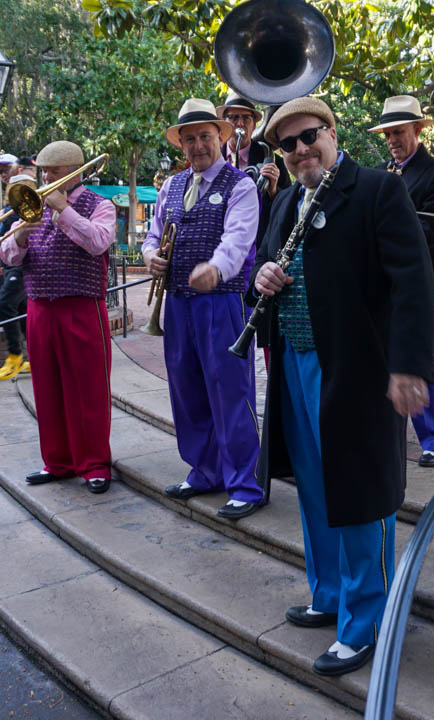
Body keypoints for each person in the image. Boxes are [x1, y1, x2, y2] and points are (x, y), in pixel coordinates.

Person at [252, 97, 434, 676]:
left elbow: (413, 282)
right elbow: (265, 267)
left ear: (332, 133)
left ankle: (366, 623)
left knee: (361, 495)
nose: (302, 149)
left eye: (310, 136)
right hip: (297, 363)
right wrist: (262, 274)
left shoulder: (379, 190)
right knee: (313, 486)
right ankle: (328, 593)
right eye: (288, 144)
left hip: (359, 371)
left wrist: (409, 367)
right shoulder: (285, 200)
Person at [143, 98, 264, 521]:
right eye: (190, 139)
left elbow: (239, 239)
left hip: (222, 303)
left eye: (205, 137)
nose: (198, 146)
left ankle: (245, 484)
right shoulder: (170, 187)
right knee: (187, 391)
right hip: (178, 304)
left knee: (231, 393)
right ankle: (205, 470)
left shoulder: (241, 185)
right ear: (181, 144)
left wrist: (216, 268)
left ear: (220, 138)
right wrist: (149, 257)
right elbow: (152, 235)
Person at [0, 140, 116, 495]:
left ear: (73, 172)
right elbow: (6, 257)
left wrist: (64, 210)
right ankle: (58, 461)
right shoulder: (29, 206)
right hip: (39, 307)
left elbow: (99, 242)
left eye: (53, 171)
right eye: (43, 171)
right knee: (46, 388)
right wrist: (18, 236)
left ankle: (94, 464)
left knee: (89, 389)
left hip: (81, 307)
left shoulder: (100, 205)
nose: (45, 177)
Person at [369, 94, 434, 467]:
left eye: (399, 132)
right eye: (387, 134)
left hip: (416, 277)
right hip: (377, 277)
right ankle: (386, 430)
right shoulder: (381, 172)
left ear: (418, 130)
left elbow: (429, 234)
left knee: (420, 352)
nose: (392, 140)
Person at [218, 93, 292, 370]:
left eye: (245, 118)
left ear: (253, 124)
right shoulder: (214, 158)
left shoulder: (272, 157)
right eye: (233, 117)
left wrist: (273, 190)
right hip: (223, 254)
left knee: (266, 328)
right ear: (224, 123)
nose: (239, 124)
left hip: (258, 253)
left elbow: (287, 210)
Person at [0, 153, 33, 381]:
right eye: (0, 172)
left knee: (4, 306)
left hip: (22, 265)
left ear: (19, 168)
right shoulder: (12, 199)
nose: (3, 174)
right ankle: (34, 359)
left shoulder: (28, 189)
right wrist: (0, 257)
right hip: (11, 262)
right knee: (22, 312)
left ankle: (15, 357)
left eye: (7, 169)